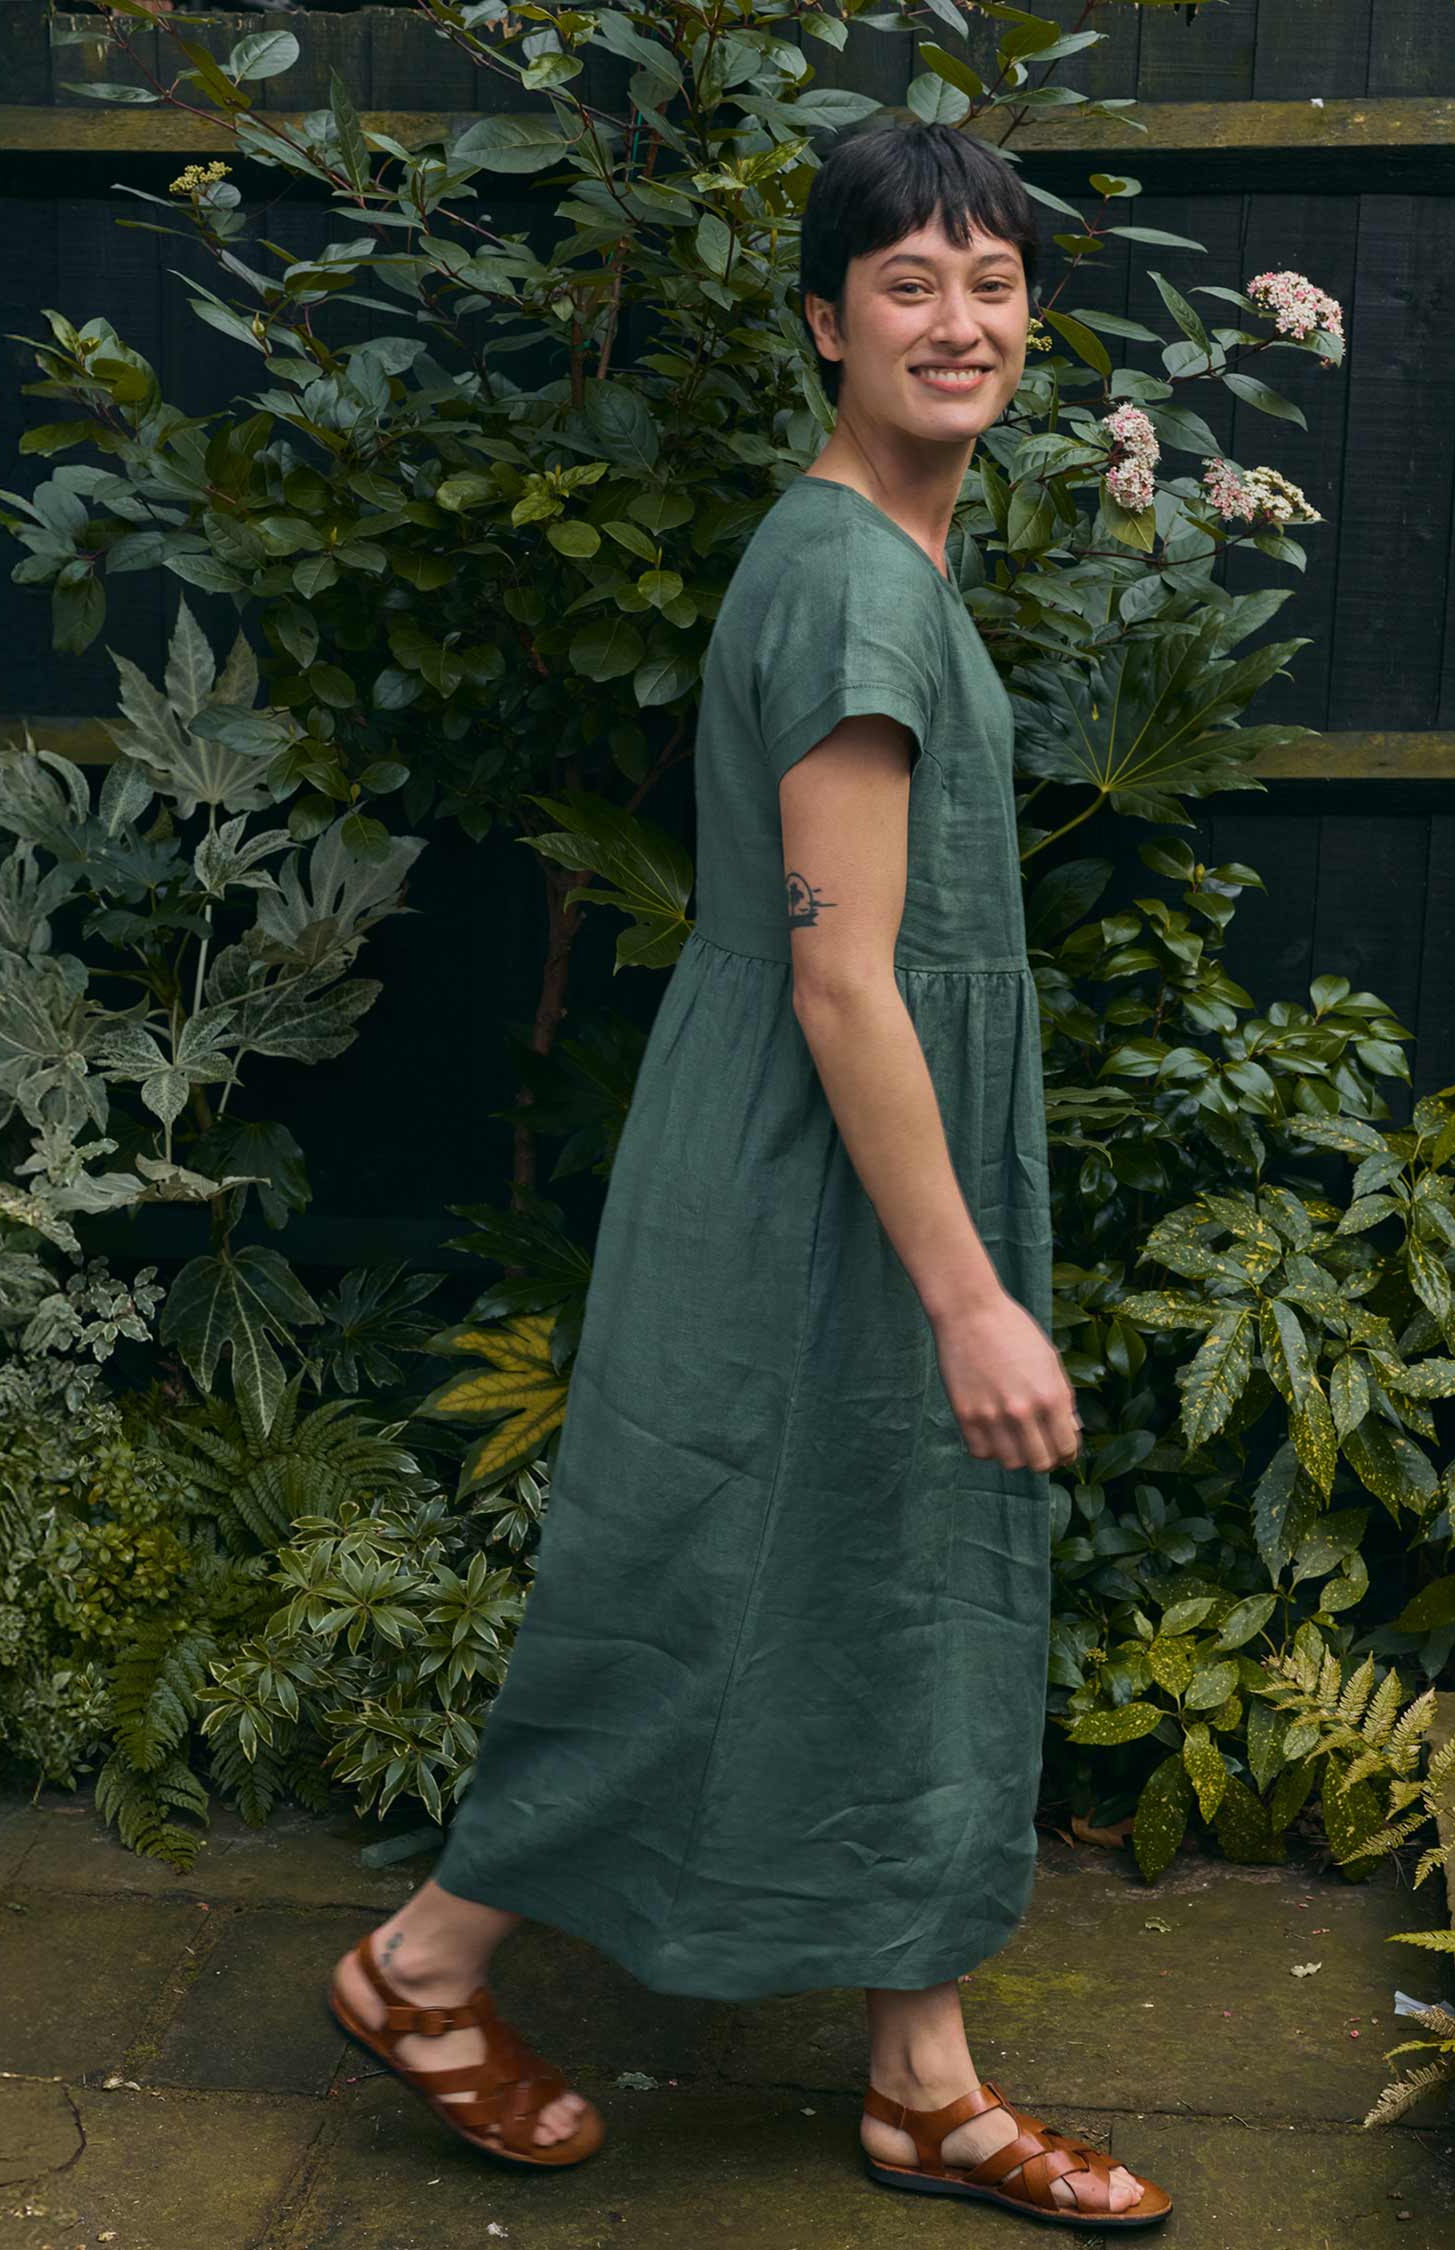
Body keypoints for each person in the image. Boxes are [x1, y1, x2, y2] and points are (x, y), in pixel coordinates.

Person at [327, 119, 1171, 2230]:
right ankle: (423, 1968)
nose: (957, 318)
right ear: (827, 322)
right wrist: (971, 1291)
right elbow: (845, 985)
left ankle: (920, 2077)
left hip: (842, 1151)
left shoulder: (878, 552)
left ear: (1032, 322)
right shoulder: (852, 594)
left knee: (899, 1586)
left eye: (990, 280)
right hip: (830, 1167)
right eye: (907, 282)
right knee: (703, 1591)